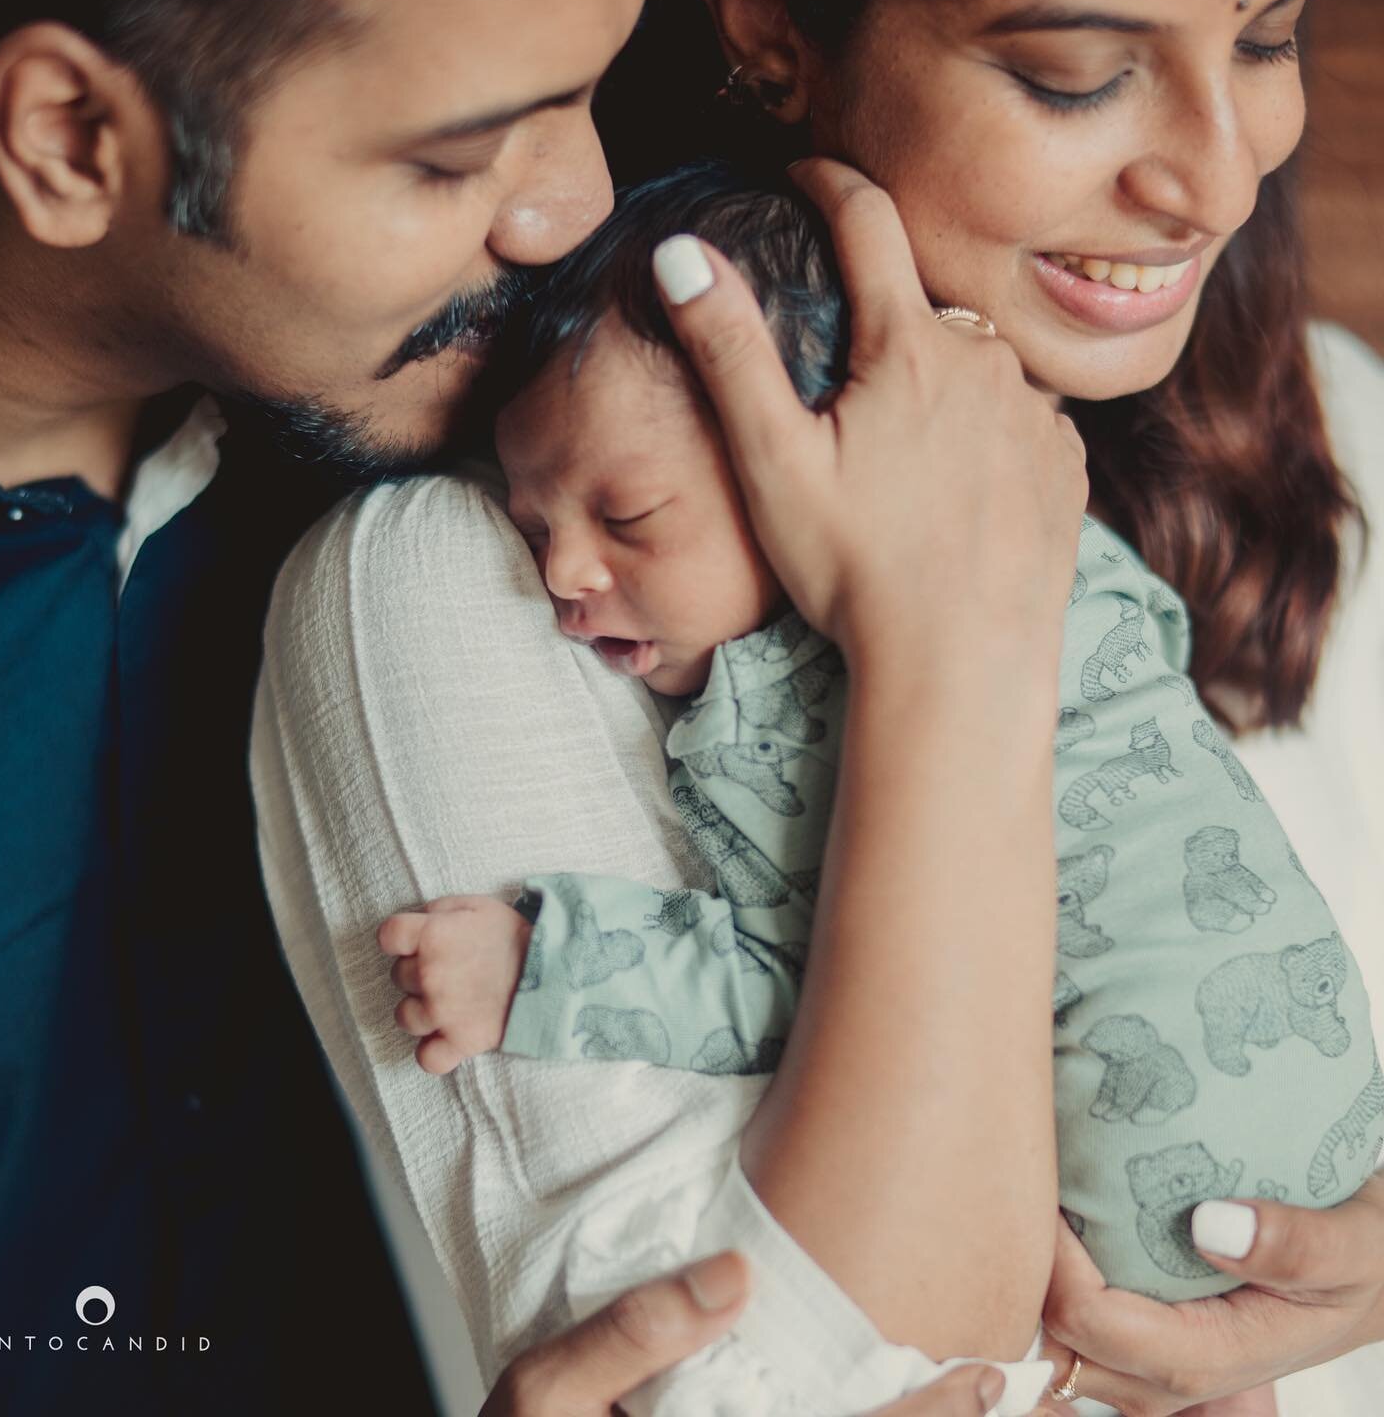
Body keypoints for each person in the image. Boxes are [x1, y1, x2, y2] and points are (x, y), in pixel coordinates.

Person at [252, 0, 1384, 1414]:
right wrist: (952, 640)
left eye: (1264, 35)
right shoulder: (484, 592)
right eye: (1078, 73)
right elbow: (784, 1391)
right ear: (771, 20)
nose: (1213, 176)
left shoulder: (1339, 428)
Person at [0, 0, 804, 1410]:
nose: (571, 211)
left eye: (593, 82)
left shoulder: (536, 403)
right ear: (71, 141)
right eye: (454, 156)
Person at [375, 165, 1380, 1332]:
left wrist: (543, 970)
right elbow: (1154, 654)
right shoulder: (1052, 520)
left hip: (1129, 1207)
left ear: (806, 453)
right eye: (534, 528)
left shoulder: (772, 726)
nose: (561, 577)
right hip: (1342, 1105)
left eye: (630, 519)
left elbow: (803, 987)